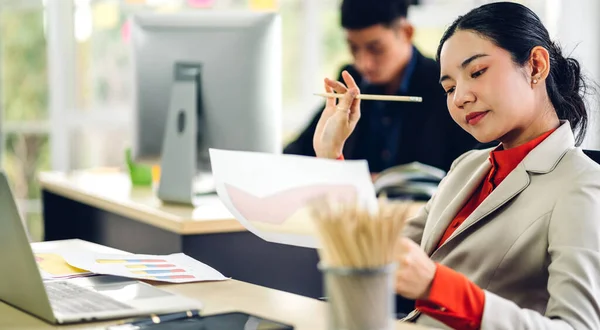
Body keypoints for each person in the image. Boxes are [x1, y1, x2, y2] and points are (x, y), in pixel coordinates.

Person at [313, 2, 600, 329]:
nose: (460, 97)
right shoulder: (468, 167)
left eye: (477, 72)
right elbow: (376, 249)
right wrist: (332, 154)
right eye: (449, 88)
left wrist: (438, 286)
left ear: (535, 66)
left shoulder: (582, 185)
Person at [284, 0, 478, 173]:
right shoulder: (352, 81)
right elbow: (296, 153)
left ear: (406, 32)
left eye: (376, 49)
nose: (364, 63)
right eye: (353, 48)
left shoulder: (444, 84)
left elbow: (470, 163)